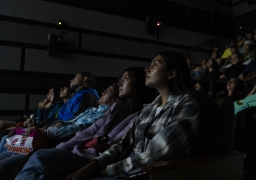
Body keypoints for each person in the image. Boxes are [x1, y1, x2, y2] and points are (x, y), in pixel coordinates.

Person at [15, 51, 201, 180]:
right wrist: (93, 166)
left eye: (154, 65)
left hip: (138, 175)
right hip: (108, 164)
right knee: (39, 158)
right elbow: (123, 144)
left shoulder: (186, 104)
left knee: (42, 160)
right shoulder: (150, 108)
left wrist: (98, 170)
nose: (147, 69)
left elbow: (153, 156)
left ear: (172, 73)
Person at [0, 67, 157, 180]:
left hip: (90, 154)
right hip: (69, 144)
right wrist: (61, 146)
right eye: (120, 79)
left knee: (38, 156)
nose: (120, 83)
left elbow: (106, 140)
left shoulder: (138, 114)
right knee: (12, 150)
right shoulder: (117, 108)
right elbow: (87, 131)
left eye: (125, 79)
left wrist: (52, 133)